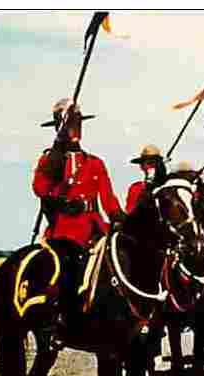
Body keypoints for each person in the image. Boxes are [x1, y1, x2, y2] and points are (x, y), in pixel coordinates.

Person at [32, 98, 125, 329]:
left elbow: (109, 201)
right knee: (67, 265)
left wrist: (120, 218)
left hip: (95, 227)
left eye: (78, 123)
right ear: (59, 128)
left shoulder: (95, 163)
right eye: (70, 124)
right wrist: (56, 153)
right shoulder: (50, 160)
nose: (76, 129)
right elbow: (40, 188)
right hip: (64, 230)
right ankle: (59, 319)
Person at [125, 144, 166, 213]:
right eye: (148, 163)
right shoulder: (135, 189)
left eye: (154, 163)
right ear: (142, 167)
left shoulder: (169, 188)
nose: (150, 166)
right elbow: (130, 213)